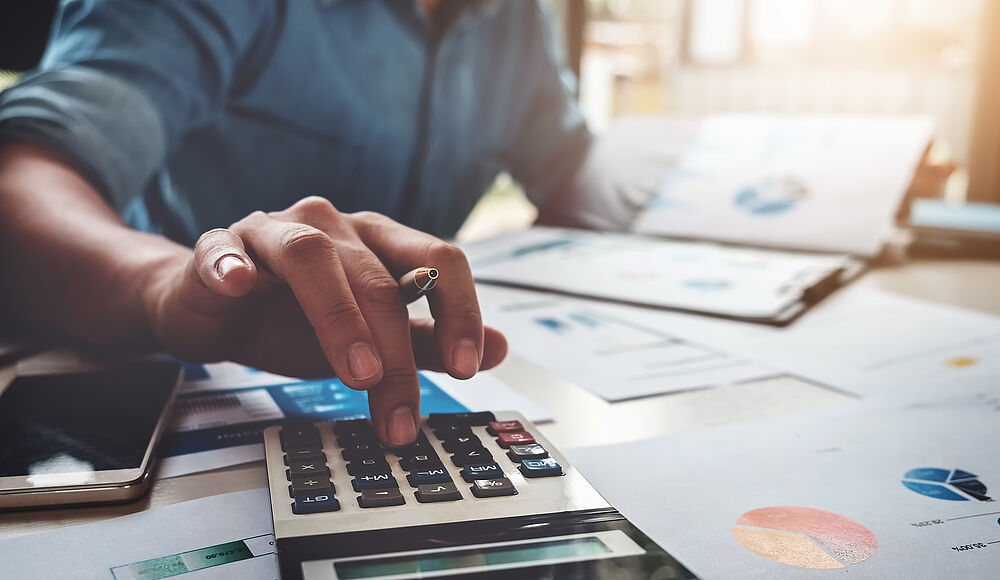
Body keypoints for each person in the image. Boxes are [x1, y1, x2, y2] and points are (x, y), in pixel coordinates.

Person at [0, 0, 639, 447]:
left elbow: (573, 175)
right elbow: (22, 173)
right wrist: (160, 285)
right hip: (154, 384)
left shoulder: (515, 16)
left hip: (395, 396)